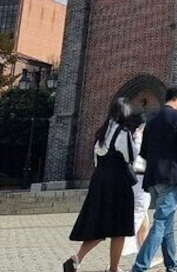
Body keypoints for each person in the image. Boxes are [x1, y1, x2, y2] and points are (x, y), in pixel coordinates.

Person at [130, 86, 177, 272]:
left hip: (154, 178)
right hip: (172, 178)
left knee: (167, 223)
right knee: (161, 223)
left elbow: (144, 152)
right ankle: (139, 267)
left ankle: (172, 265)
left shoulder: (151, 121)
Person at [63, 98, 137, 272]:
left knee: (100, 225)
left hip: (99, 181)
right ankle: (114, 268)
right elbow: (131, 156)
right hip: (118, 183)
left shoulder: (101, 133)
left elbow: (97, 161)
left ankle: (76, 259)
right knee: (120, 227)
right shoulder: (123, 132)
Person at [121, 112, 162, 271]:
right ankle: (116, 257)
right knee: (138, 215)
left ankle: (145, 255)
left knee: (144, 217)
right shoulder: (137, 140)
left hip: (134, 181)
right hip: (139, 182)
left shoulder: (128, 138)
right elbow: (142, 160)